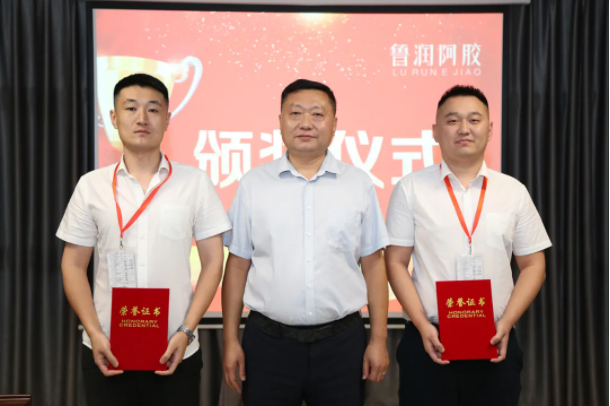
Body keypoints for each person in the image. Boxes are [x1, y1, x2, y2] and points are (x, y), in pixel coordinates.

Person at [57, 73, 231, 406]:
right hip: (107, 350)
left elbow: (212, 263)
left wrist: (186, 331)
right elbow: (73, 265)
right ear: (113, 117)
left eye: (153, 109)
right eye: (131, 108)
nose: (142, 118)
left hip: (176, 349)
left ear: (167, 119)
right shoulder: (91, 186)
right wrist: (94, 333)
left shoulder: (195, 183)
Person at [221, 79, 390, 405]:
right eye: (295, 113)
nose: (306, 123)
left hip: (342, 344)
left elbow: (373, 265)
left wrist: (379, 340)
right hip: (268, 343)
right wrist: (230, 340)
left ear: (334, 124)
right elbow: (238, 265)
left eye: (317, 114)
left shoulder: (358, 184)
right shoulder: (254, 184)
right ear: (280, 121)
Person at [385, 84, 552, 406]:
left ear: (489, 129)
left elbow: (534, 265)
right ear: (435, 131)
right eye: (452, 120)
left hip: (495, 340)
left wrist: (506, 323)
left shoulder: (513, 192)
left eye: (474, 120)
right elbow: (395, 262)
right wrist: (422, 326)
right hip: (428, 340)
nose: (464, 129)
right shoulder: (411, 188)